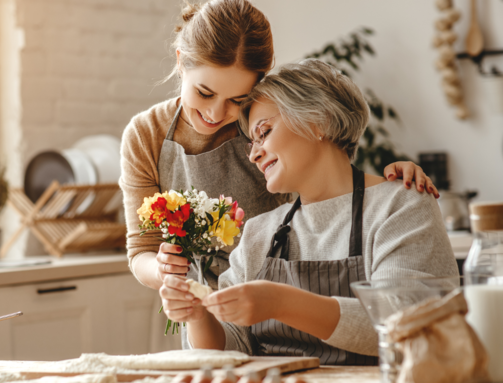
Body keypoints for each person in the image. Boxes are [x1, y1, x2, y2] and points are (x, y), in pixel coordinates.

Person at [120, 0, 438, 294]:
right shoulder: (146, 135)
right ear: (180, 63)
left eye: (237, 100)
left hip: (280, 299)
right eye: (204, 93)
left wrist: (387, 186)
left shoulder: (268, 123)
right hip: (202, 309)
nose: (216, 114)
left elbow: (326, 193)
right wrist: (164, 270)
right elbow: (141, 250)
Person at [158, 59, 459, 364]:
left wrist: (280, 302)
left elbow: (404, 323)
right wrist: (198, 316)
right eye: (251, 142)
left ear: (319, 121)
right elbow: (230, 348)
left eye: (264, 132)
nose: (254, 154)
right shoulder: (259, 233)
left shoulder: (400, 205)